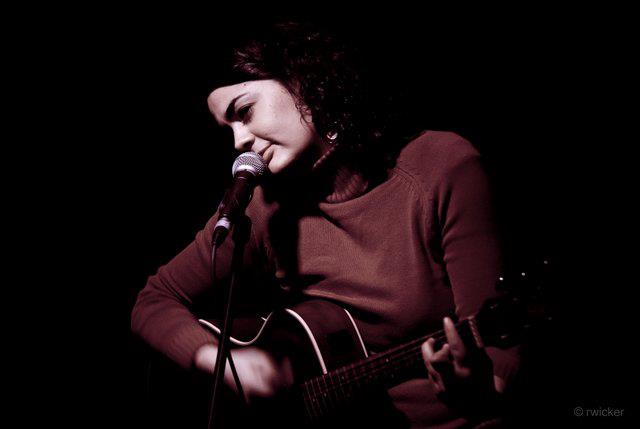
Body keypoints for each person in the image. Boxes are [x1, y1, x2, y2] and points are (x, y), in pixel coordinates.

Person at [131, 21, 520, 428]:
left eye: (244, 112)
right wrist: (218, 362)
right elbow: (154, 300)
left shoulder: (441, 168)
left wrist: (480, 392)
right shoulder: (263, 207)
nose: (238, 141)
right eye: (228, 129)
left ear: (301, 81)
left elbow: (498, 349)